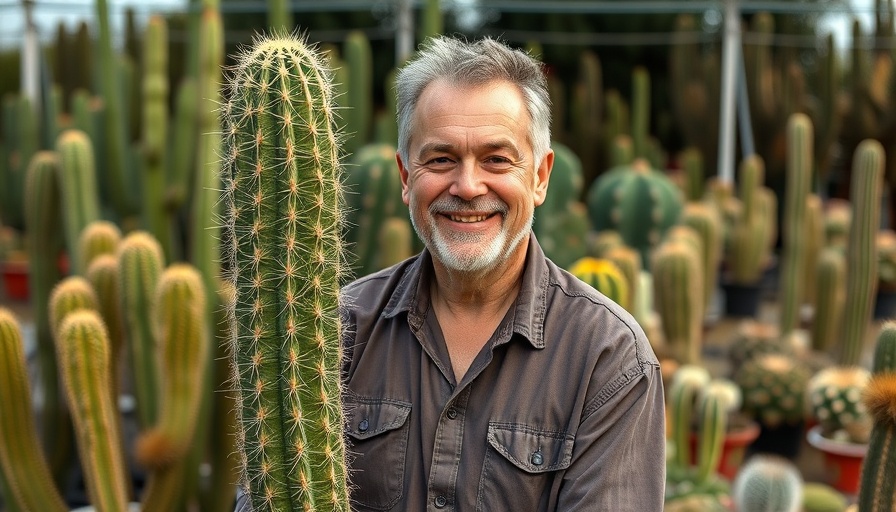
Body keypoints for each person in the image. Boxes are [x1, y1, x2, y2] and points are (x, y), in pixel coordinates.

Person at [340, 35, 666, 511]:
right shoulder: (336, 331)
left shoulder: (609, 359)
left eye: (497, 159)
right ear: (406, 177)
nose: (468, 186)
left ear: (539, 176)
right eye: (441, 158)